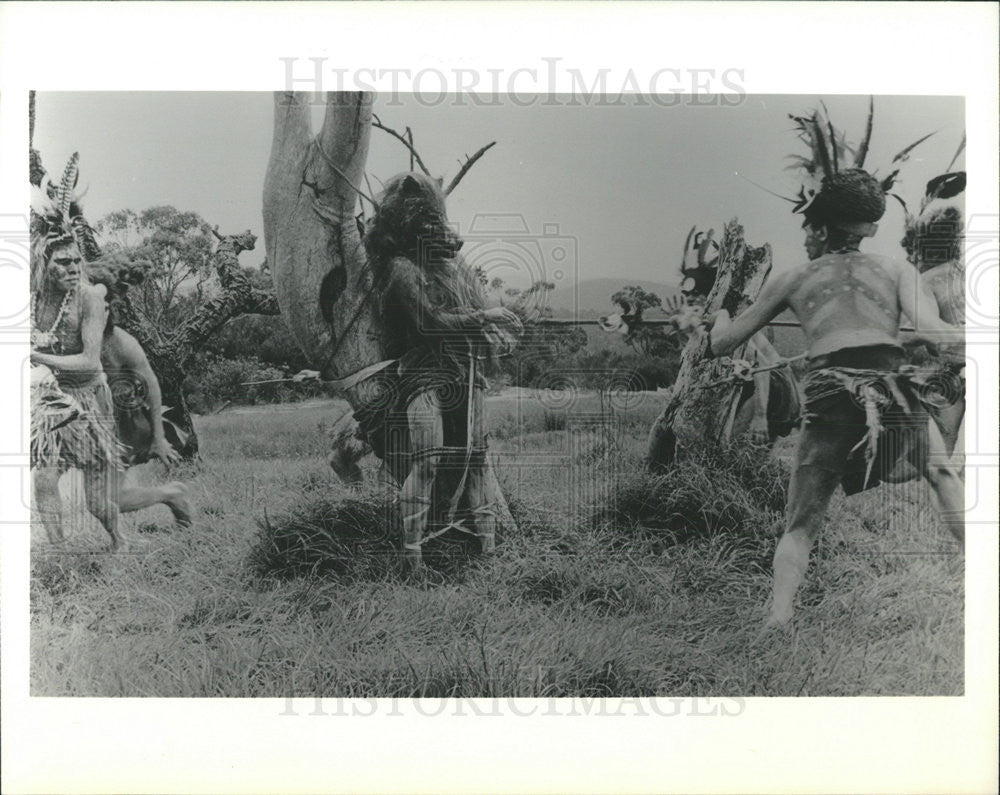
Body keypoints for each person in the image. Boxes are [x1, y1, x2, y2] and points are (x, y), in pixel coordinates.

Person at [705, 167, 964, 628]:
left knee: (801, 522)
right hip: (892, 387)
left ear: (822, 227)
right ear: (870, 228)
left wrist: (720, 314)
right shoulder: (894, 267)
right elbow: (934, 332)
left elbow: (722, 344)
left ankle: (778, 616)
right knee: (942, 471)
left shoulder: (792, 278)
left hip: (830, 393)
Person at [361, 172, 521, 569]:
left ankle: (489, 552)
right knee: (428, 461)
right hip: (424, 376)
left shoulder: (449, 271)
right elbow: (429, 322)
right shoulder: (400, 269)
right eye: (431, 227)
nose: (444, 236)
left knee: (478, 460)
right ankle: (412, 556)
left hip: (465, 373)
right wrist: (484, 316)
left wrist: (491, 332)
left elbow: (462, 319)